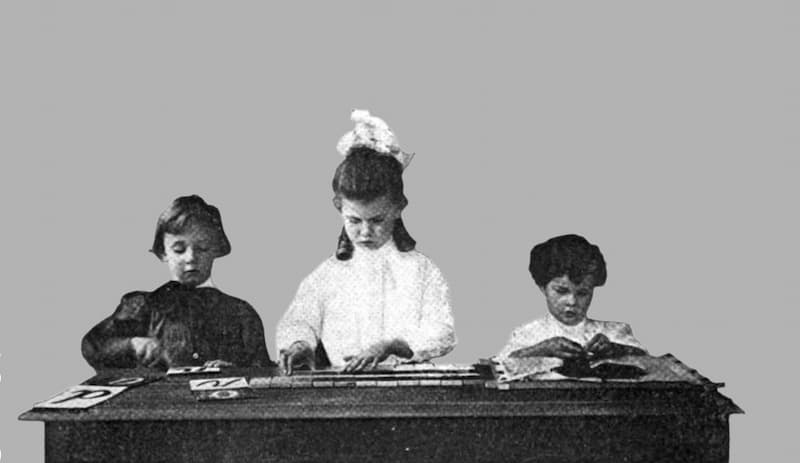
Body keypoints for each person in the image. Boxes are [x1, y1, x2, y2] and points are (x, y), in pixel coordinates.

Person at [277, 110, 456, 373]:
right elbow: (299, 320)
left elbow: (443, 332)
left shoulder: (422, 270)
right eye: (354, 221)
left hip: (408, 387)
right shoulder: (328, 274)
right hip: (343, 388)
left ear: (398, 208)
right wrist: (300, 343)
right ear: (339, 208)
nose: (365, 232)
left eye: (376, 220)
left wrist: (392, 345)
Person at [82, 195, 272, 370]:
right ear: (164, 253)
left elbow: (263, 372)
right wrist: (132, 344)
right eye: (179, 250)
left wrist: (235, 372)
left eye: (203, 248)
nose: (191, 258)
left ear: (216, 250)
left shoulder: (241, 313)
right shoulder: (142, 306)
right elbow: (92, 346)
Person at [495, 234, 647, 362]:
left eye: (582, 293)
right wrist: (542, 349)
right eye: (561, 291)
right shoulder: (528, 333)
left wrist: (616, 349)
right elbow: (500, 366)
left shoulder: (614, 332)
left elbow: (649, 361)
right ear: (543, 288)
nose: (572, 302)